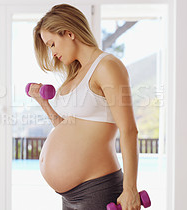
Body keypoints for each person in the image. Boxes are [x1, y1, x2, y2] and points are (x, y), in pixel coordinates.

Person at [28, 3, 141, 210]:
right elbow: (67, 127)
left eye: (52, 44)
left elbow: (129, 130)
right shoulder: (76, 73)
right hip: (70, 196)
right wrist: (44, 104)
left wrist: (130, 189)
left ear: (69, 33)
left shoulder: (107, 66)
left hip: (97, 189)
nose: (52, 53)